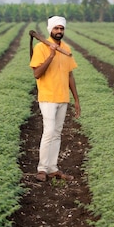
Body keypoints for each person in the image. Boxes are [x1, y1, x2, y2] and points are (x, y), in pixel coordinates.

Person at [29, 16, 81, 182]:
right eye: (56, 28)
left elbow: (70, 75)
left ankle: (52, 168)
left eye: (61, 28)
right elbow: (37, 74)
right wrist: (51, 55)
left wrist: (76, 100)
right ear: (50, 29)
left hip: (63, 97)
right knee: (49, 131)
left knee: (57, 133)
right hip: (48, 96)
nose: (59, 31)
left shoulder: (66, 48)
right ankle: (42, 168)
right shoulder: (41, 48)